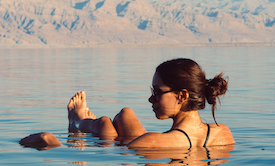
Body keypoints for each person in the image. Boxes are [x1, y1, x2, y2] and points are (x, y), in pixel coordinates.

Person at [20, 58, 234, 149]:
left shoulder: (150, 141)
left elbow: (115, 155)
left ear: (182, 96)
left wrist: (48, 141)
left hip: (147, 145)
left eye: (157, 93)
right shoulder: (223, 133)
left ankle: (77, 121)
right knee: (125, 114)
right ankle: (83, 120)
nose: (151, 100)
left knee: (105, 125)